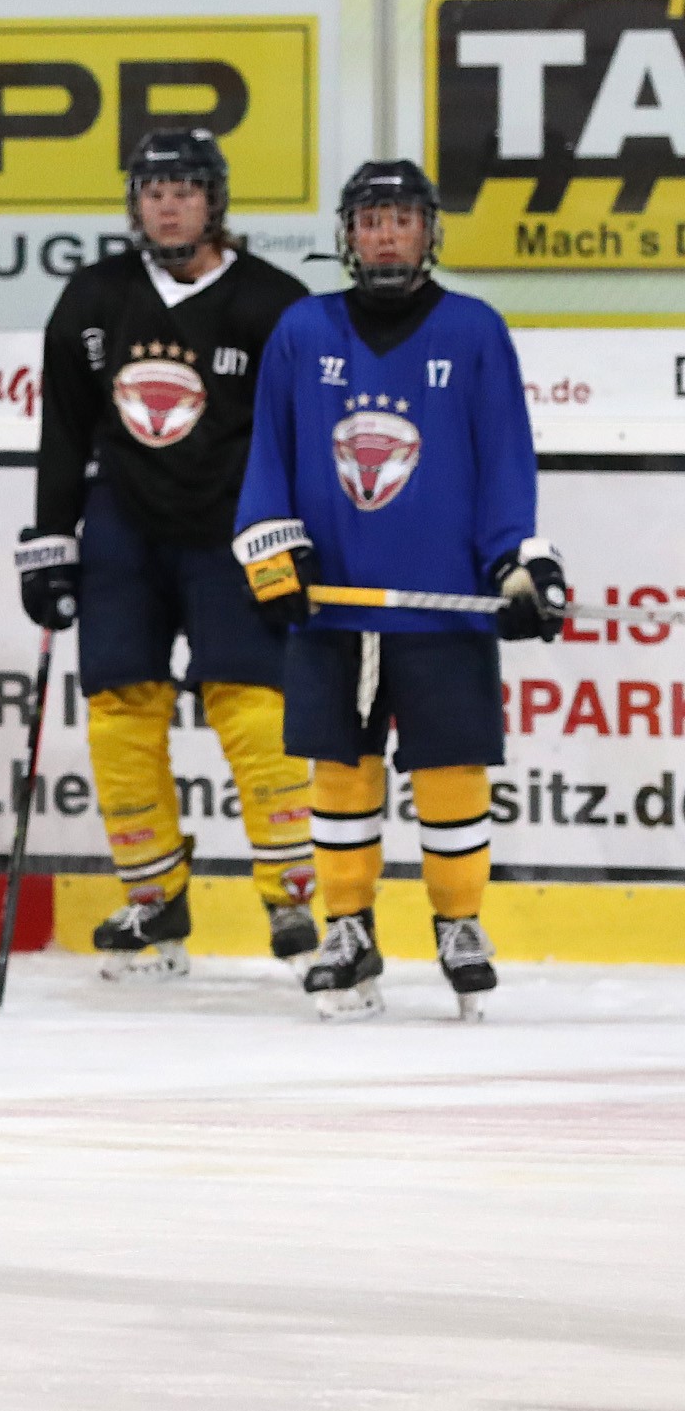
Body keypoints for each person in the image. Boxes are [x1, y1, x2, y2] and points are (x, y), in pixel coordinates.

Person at [233, 160, 558, 1021]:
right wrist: (274, 559)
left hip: (442, 605)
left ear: (428, 230)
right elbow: (268, 456)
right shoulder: (303, 330)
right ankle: (348, 926)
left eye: (402, 219)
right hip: (334, 608)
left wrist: (521, 564)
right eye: (371, 219)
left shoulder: (475, 330)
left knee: (453, 770)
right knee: (339, 771)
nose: (385, 234)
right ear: (348, 233)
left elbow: (505, 466)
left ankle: (459, 922)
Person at [17, 129, 317, 979]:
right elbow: (65, 430)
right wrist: (51, 543)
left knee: (256, 709)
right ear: (134, 202)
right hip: (123, 530)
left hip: (237, 531)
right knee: (119, 713)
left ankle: (290, 896)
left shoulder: (272, 301)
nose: (169, 202)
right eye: (153, 189)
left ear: (214, 200)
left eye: (186, 188)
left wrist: (296, 536)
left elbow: (297, 436)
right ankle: (154, 900)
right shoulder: (94, 296)